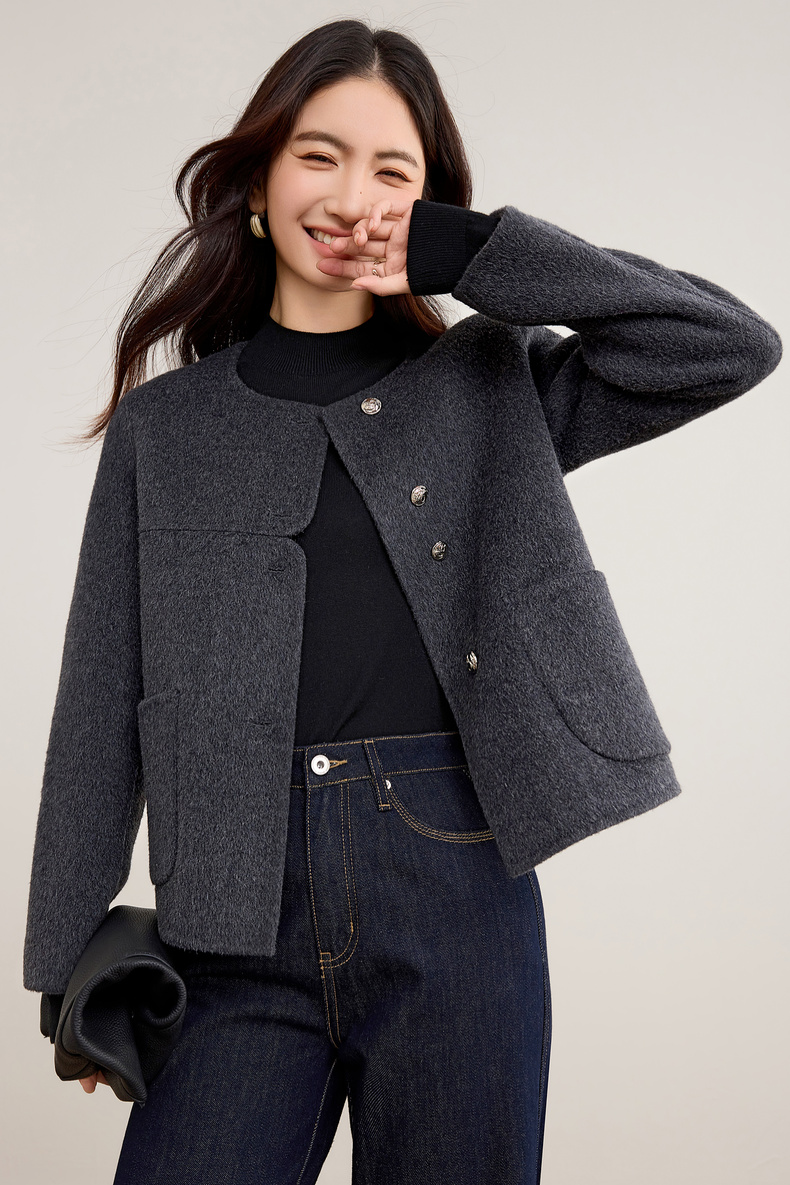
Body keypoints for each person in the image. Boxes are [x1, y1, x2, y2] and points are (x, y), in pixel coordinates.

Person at [23, 17, 781, 1185]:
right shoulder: (165, 429)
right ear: (260, 185)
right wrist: (64, 963)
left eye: (393, 171)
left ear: (427, 203)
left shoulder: (489, 384)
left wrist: (474, 255)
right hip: (228, 907)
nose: (352, 196)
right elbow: (98, 699)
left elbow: (723, 345)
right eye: (318, 155)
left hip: (455, 882)